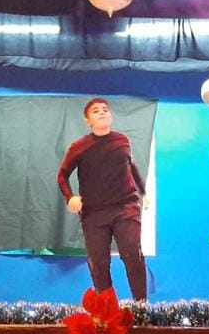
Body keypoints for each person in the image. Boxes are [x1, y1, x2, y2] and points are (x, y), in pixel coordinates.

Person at [57, 98, 148, 301]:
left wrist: (143, 191)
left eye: (105, 109)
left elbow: (131, 166)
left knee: (132, 255)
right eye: (96, 111)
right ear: (88, 121)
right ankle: (108, 311)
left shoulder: (122, 140)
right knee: (99, 263)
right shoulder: (79, 147)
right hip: (94, 213)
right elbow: (62, 175)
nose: (102, 112)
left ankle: (141, 306)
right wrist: (70, 198)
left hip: (125, 207)